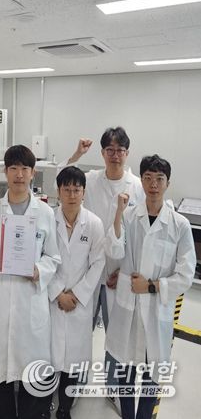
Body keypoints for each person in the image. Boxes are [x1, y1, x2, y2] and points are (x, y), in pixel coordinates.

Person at [0, 145, 60, 419]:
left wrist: (38, 270)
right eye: (14, 168)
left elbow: (53, 257)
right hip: (2, 305)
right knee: (0, 378)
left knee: (33, 379)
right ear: (5, 172)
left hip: (31, 302)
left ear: (33, 173)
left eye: (25, 169)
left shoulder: (45, 213)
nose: (19, 174)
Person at [106, 155, 196, 419]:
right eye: (147, 178)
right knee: (125, 373)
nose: (153, 184)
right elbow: (114, 252)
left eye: (159, 178)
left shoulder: (179, 225)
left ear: (168, 183)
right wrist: (117, 214)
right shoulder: (129, 216)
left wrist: (152, 286)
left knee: (151, 377)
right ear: (142, 181)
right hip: (129, 308)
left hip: (156, 310)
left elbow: (186, 275)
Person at [62, 127, 145, 415]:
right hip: (85, 273)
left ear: (127, 153)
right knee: (78, 331)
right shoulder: (91, 179)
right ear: (102, 153)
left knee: (116, 336)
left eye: (120, 150)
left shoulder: (137, 187)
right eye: (110, 150)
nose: (115, 155)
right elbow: (61, 178)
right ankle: (75, 383)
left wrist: (124, 270)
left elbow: (137, 235)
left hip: (117, 275)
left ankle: (113, 389)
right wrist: (77, 154)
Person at [49, 167, 105, 419]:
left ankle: (64, 409)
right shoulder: (48, 220)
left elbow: (98, 263)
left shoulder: (93, 223)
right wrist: (57, 293)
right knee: (49, 357)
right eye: (67, 189)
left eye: (76, 190)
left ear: (84, 192)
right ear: (58, 191)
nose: (72, 195)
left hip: (78, 302)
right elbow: (40, 258)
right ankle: (45, 405)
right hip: (52, 299)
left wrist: (77, 295)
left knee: (73, 360)